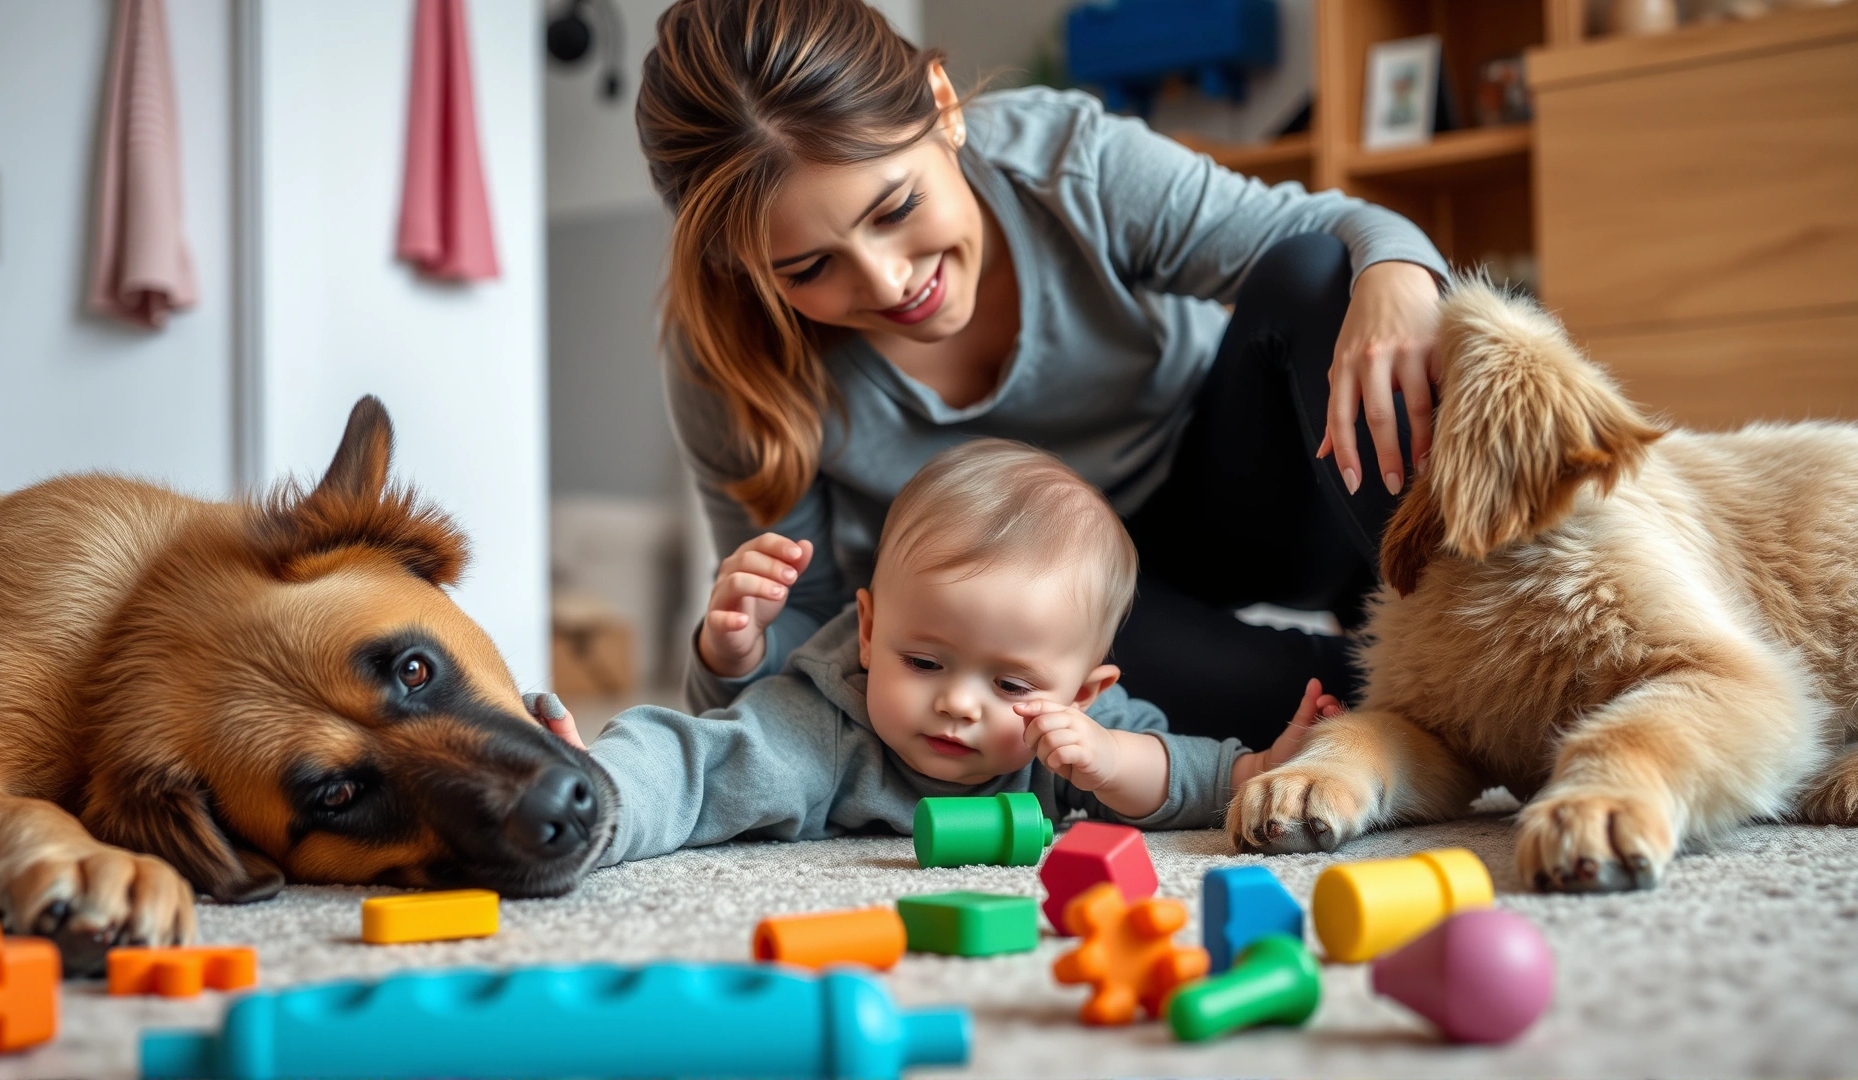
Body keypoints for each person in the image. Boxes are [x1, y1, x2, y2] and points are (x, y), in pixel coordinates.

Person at [640, 0, 1448, 749]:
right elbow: (806, 626)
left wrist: (1399, 279)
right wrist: (732, 645)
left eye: (893, 210)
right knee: (1351, 701)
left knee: (1324, 275)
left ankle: (1463, 617)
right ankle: (1451, 692)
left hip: (1248, 494)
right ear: (743, 266)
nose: (888, 282)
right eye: (811, 266)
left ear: (943, 105)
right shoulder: (727, 354)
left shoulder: (1063, 161)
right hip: (1064, 610)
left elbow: (1334, 230)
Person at [536, 440, 1340, 866]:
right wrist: (599, 792)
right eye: (923, 662)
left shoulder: (1071, 733)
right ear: (871, 631)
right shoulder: (824, 727)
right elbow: (698, 761)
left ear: (1084, 692)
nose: (959, 702)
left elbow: (1176, 776)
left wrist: (1250, 771)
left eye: (1011, 683)